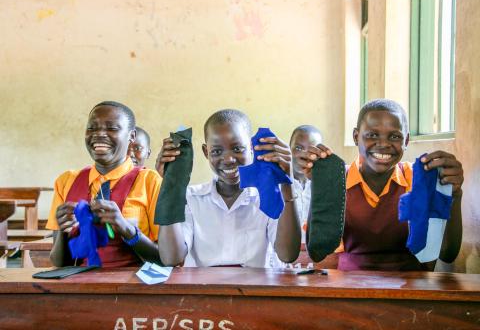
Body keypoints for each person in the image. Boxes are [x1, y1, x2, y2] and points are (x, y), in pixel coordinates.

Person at [299, 99, 463, 271]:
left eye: (395, 136)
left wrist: (455, 194)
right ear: (356, 137)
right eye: (372, 135)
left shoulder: (417, 180)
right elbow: (317, 250)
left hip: (411, 289)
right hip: (350, 288)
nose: (384, 144)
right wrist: (320, 185)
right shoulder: (338, 180)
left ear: (406, 141)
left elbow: (447, 253)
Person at [155, 109, 301, 267]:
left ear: (251, 147)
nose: (229, 159)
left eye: (238, 149)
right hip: (203, 290)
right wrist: (171, 184)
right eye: (217, 151)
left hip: (255, 290)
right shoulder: (190, 198)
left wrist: (287, 181)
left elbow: (287, 255)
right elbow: (171, 258)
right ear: (206, 152)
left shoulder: (267, 196)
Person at [47, 101, 162, 267]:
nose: (99, 134)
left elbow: (166, 260)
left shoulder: (150, 181)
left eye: (112, 128)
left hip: (134, 286)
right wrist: (64, 232)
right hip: (79, 286)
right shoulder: (66, 181)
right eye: (92, 128)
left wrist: (126, 228)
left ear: (131, 136)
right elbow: (59, 262)